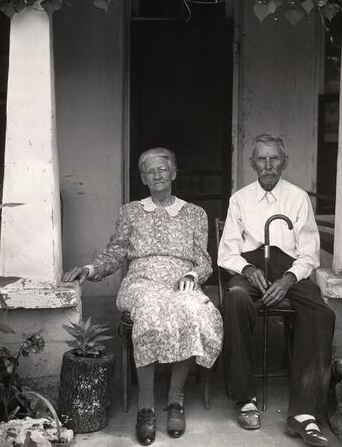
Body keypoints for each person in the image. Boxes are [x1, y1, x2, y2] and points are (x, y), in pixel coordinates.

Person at [62, 147, 223, 446]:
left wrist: (192, 276)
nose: (157, 174)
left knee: (192, 310)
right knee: (149, 312)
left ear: (174, 173)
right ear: (143, 178)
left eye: (162, 168)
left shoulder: (195, 214)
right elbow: (115, 252)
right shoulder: (131, 212)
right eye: (149, 171)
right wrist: (89, 268)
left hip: (180, 280)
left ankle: (175, 400)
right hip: (142, 280)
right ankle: (146, 408)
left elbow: (204, 261)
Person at [218, 134, 335, 447]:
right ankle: (245, 399)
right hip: (252, 266)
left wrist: (288, 279)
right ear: (252, 163)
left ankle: (303, 413)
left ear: (285, 162)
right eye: (262, 159)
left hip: (288, 270)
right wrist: (247, 269)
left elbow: (310, 253)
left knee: (321, 313)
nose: (268, 166)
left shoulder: (298, 198)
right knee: (236, 298)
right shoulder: (239, 199)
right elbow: (227, 251)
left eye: (274, 159)